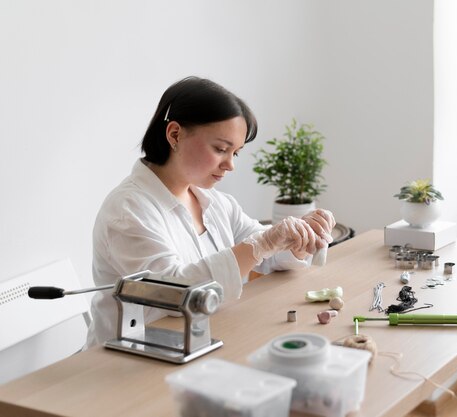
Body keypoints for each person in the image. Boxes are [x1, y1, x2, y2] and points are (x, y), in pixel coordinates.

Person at [86, 76, 335, 346]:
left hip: (197, 340)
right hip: (126, 361)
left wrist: (297, 238)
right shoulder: (128, 210)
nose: (230, 165)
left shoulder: (214, 202)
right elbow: (172, 294)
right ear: (174, 134)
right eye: (220, 149)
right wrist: (262, 244)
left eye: (235, 153)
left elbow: (264, 253)